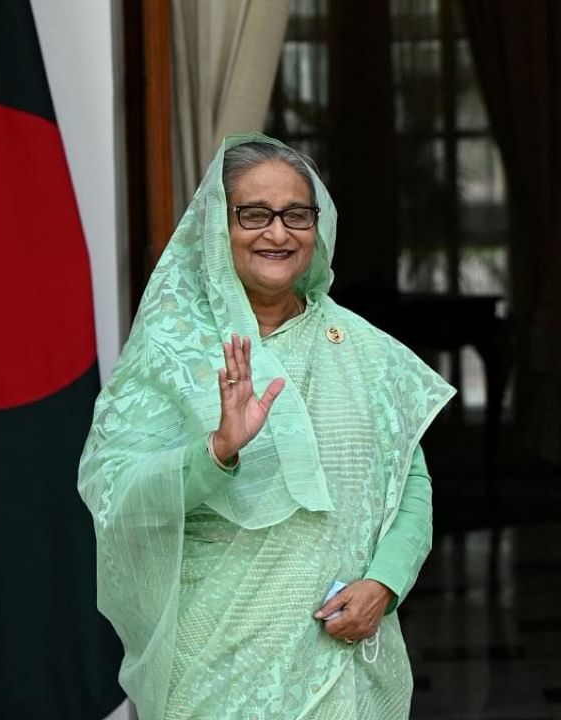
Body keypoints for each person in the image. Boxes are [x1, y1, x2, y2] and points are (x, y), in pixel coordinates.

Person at [78, 134, 454, 719]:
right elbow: (117, 492)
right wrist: (217, 452)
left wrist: (384, 583)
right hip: (216, 665)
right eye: (253, 214)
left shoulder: (363, 349)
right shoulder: (174, 351)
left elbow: (410, 484)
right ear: (215, 227)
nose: (277, 233)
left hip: (341, 653)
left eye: (295, 215)